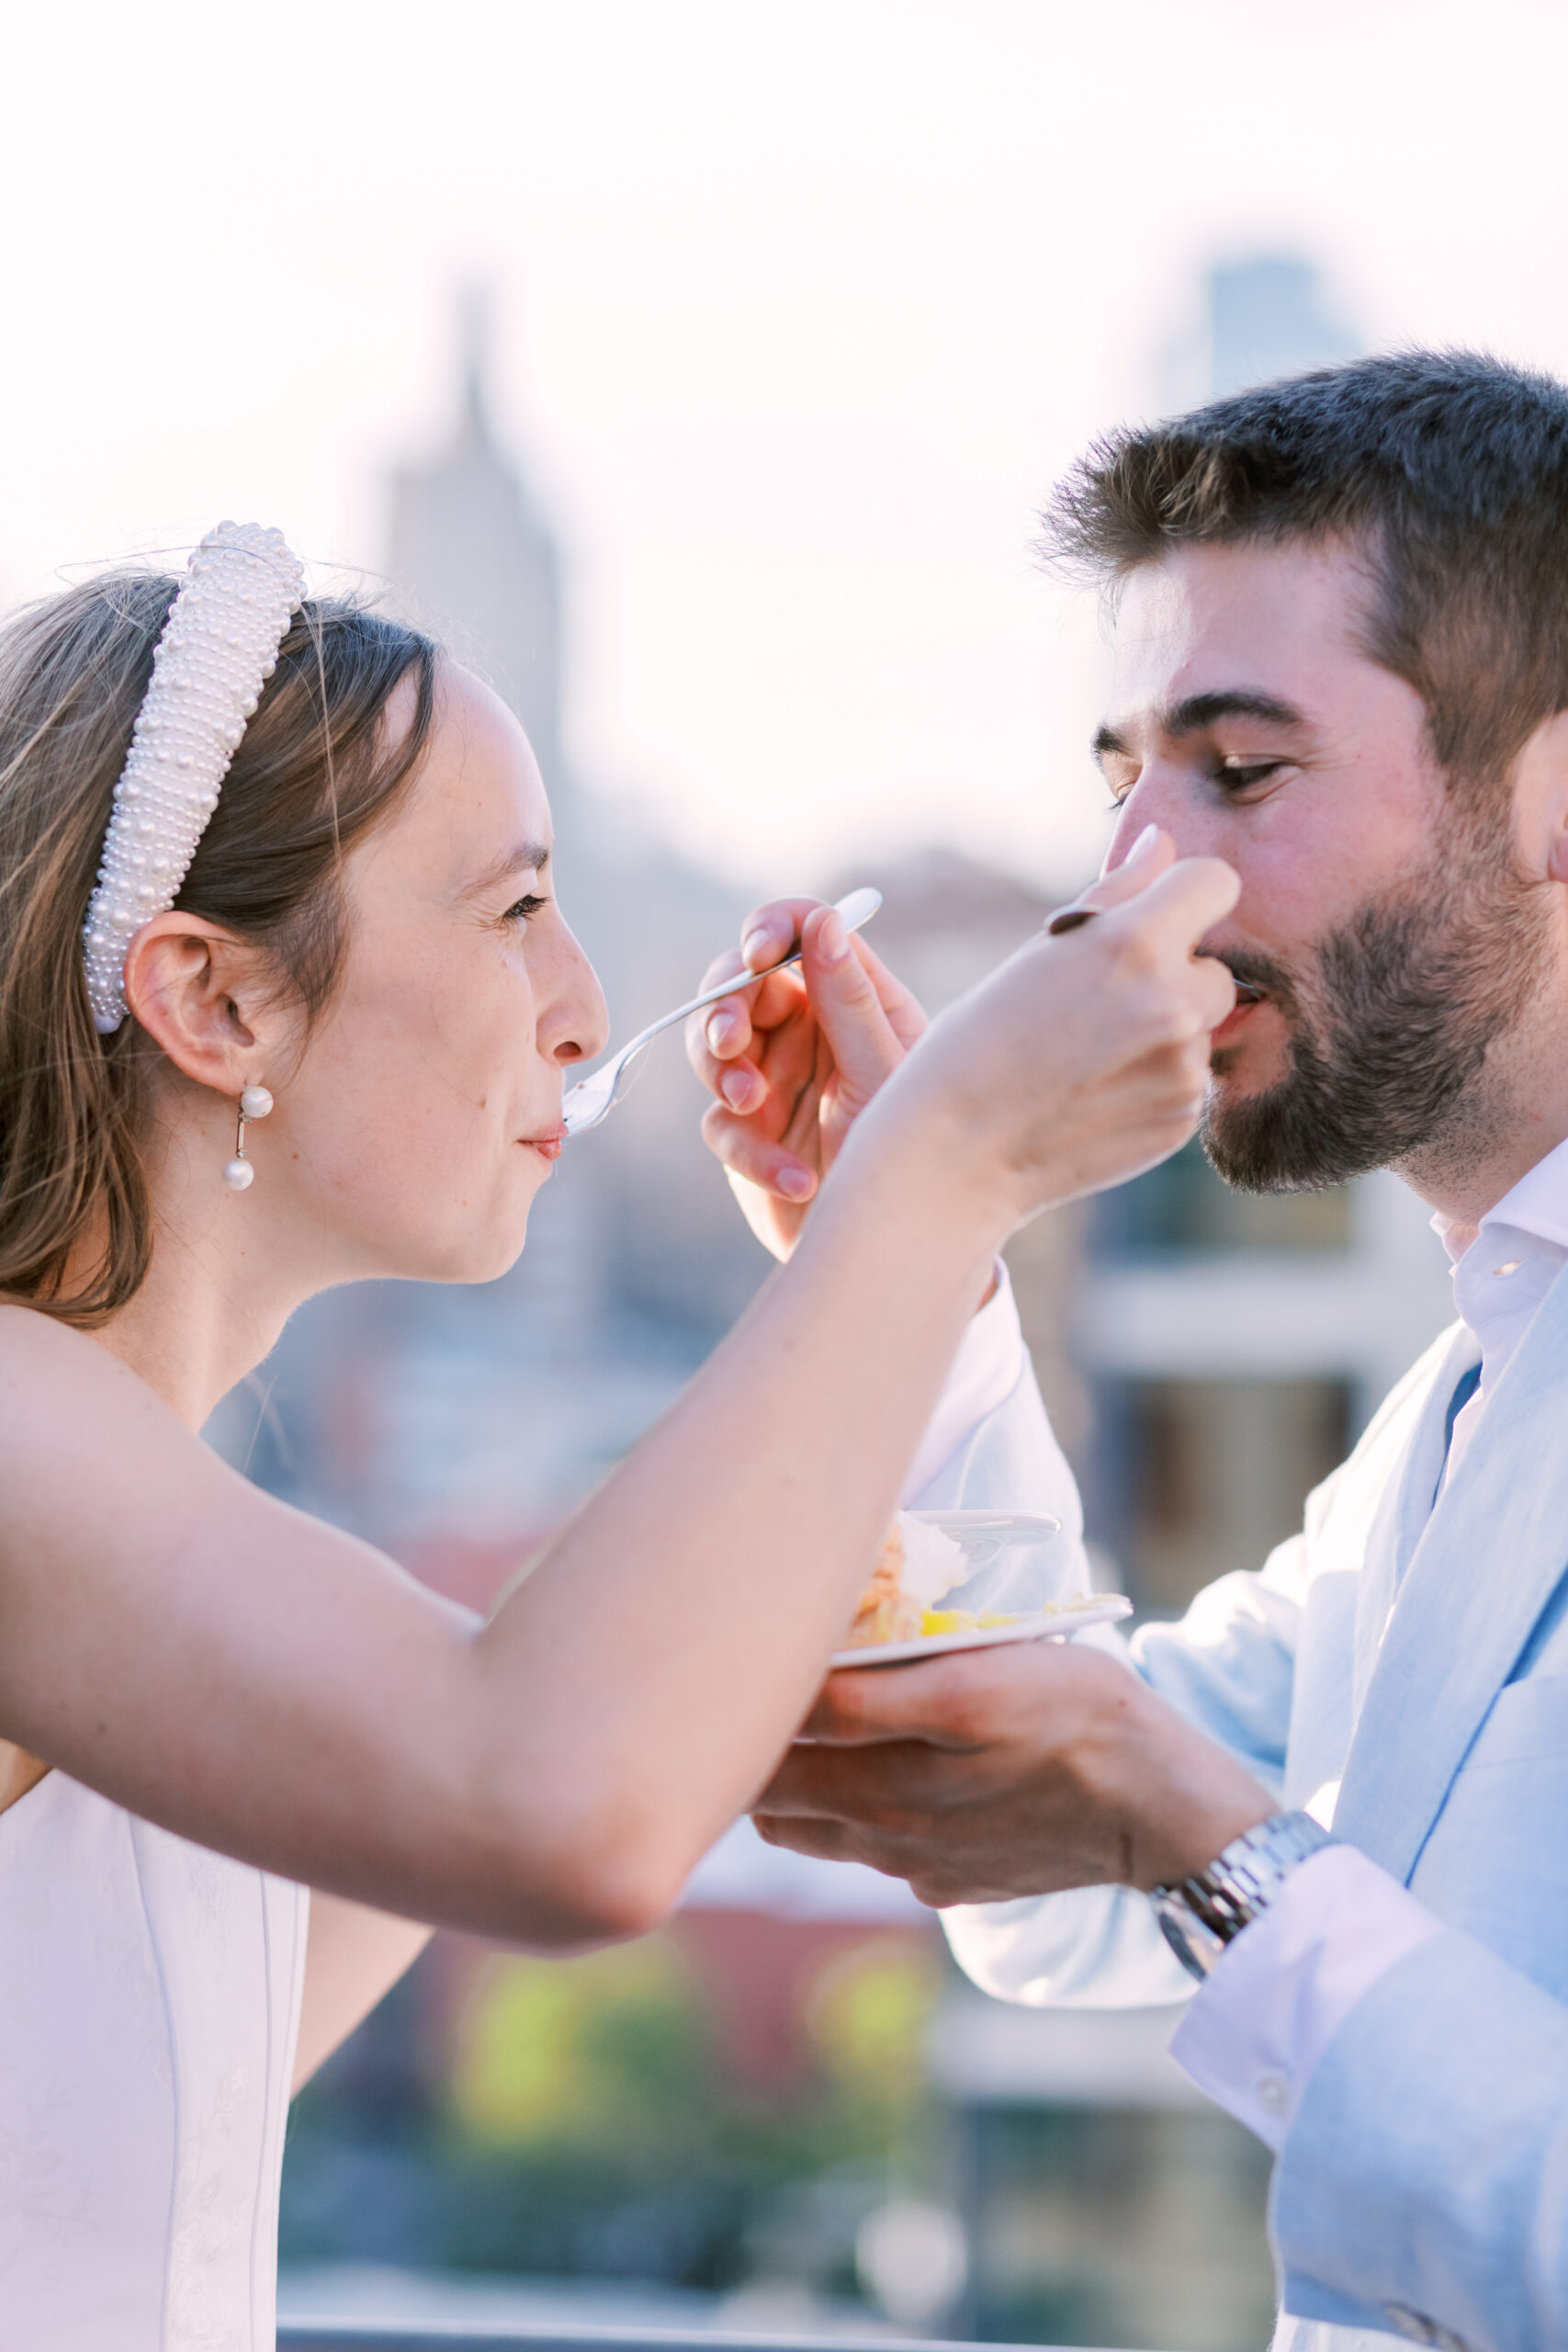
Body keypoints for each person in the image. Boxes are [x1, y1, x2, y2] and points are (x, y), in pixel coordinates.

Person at [0, 522, 1234, 2345]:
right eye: (511, 910)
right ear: (215, 995)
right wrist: (935, 1165)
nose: (581, 1004)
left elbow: (614, 1724)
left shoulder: (170, 1580)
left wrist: (893, 1264)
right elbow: (560, 1806)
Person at [691, 351, 1568, 2352]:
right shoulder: (1456, 1403)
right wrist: (900, 1243)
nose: (1127, 887)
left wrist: (1181, 1818)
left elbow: (1149, 1813)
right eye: (1121, 783)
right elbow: (1054, 1880)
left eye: (1240, 774)